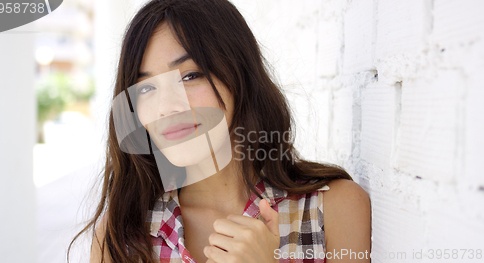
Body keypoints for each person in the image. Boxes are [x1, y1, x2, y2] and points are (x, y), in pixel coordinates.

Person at [70, 0, 371, 262]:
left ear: (239, 76)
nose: (166, 108)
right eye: (146, 87)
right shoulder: (121, 233)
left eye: (190, 76)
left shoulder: (332, 210)